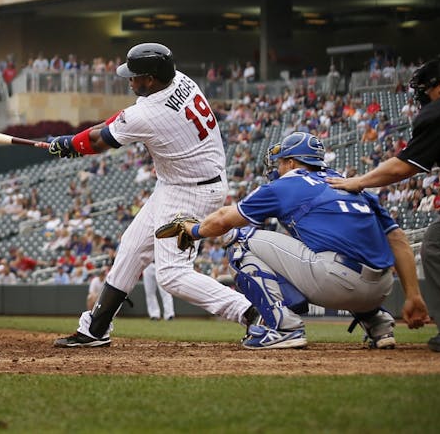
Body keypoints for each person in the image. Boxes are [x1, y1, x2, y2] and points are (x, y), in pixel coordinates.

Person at [44, 42, 257, 347]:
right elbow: (116, 122)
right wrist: (72, 140)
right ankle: (96, 328)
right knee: (132, 246)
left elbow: (100, 140)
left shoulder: (149, 111)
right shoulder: (181, 80)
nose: (129, 80)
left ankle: (251, 313)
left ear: (152, 78)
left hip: (190, 192)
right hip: (181, 183)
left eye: (135, 76)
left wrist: (71, 145)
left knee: (171, 274)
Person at [161, 132, 426, 350]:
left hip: (337, 282)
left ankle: (284, 327)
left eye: (280, 163)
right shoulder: (350, 184)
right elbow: (398, 239)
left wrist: (194, 230)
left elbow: (222, 220)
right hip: (381, 287)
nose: (277, 168)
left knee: (240, 240)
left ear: (291, 162)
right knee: (340, 245)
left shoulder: (288, 184)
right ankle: (378, 322)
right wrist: (413, 294)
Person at [328, 55, 440, 352]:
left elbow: (403, 166)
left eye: (426, 89)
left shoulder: (439, 111)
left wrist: (359, 181)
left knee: (435, 242)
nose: (423, 96)